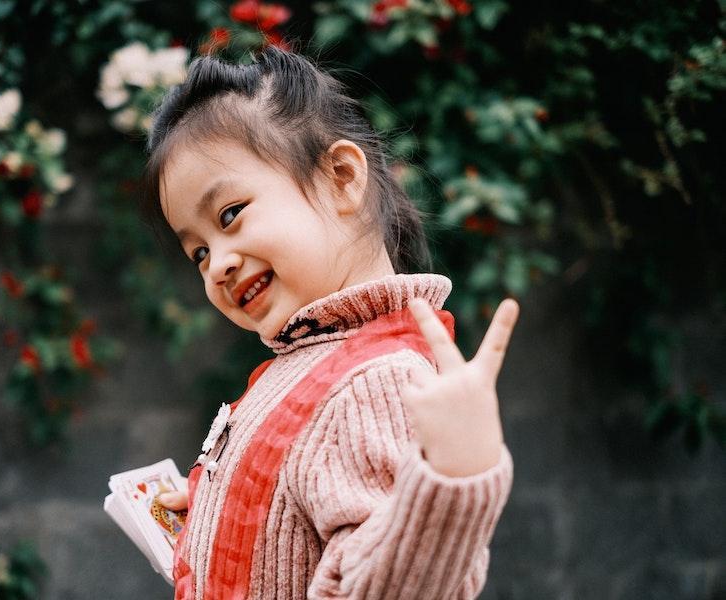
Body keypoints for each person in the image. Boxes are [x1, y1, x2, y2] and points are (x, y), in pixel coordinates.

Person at [147, 45, 519, 599]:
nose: (218, 264)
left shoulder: (376, 383)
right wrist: (216, 505)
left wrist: (455, 474)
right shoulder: (310, 362)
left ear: (342, 178)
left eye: (230, 215)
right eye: (198, 252)